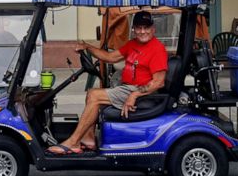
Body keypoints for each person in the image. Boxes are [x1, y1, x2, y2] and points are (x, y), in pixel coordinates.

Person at [47, 10, 168, 155]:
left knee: (95, 96)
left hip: (139, 92)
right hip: (127, 88)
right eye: (139, 27)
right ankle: (89, 138)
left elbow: (158, 82)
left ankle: (72, 142)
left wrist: (134, 95)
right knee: (92, 93)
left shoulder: (157, 49)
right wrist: (88, 47)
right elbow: (110, 57)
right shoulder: (133, 44)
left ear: (153, 29)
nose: (143, 31)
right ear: (134, 29)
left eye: (146, 28)